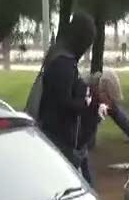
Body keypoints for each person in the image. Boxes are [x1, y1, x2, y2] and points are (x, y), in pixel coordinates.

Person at [37, 11, 95, 168]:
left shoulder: (58, 54)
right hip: (59, 139)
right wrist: (85, 102)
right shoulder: (64, 63)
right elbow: (63, 103)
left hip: (55, 135)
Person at [78, 69, 129, 185]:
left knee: (87, 182)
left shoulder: (104, 99)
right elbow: (78, 119)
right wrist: (94, 112)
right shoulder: (82, 91)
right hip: (70, 140)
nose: (111, 104)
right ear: (101, 91)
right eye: (110, 99)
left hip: (82, 144)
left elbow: (120, 117)